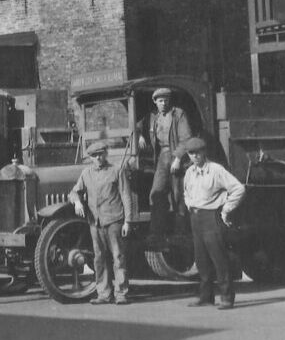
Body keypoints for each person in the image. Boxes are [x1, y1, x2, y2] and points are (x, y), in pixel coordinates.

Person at [181, 137, 245, 310]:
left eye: (198, 152)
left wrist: (226, 209)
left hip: (211, 217)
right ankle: (206, 296)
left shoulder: (216, 170)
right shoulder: (189, 172)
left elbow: (238, 188)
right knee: (201, 259)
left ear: (204, 152)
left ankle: (226, 297)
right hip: (196, 217)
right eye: (191, 153)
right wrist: (190, 205)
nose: (194, 156)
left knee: (219, 259)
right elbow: (186, 192)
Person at [69, 142, 134, 305]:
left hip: (114, 220)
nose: (98, 158)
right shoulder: (86, 173)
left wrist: (128, 221)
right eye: (94, 155)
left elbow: (126, 195)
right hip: (95, 223)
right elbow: (74, 192)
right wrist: (77, 202)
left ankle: (121, 294)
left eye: (100, 154)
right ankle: (104, 294)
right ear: (90, 158)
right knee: (99, 258)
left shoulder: (116, 170)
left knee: (118, 257)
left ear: (106, 154)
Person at [137, 88, 194, 249]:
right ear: (155, 102)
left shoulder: (178, 114)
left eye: (166, 100)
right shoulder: (153, 116)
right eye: (160, 100)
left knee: (178, 196)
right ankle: (156, 234)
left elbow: (187, 138)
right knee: (156, 193)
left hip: (176, 158)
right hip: (162, 157)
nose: (163, 103)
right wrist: (140, 134)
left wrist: (177, 158)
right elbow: (136, 125)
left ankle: (181, 233)